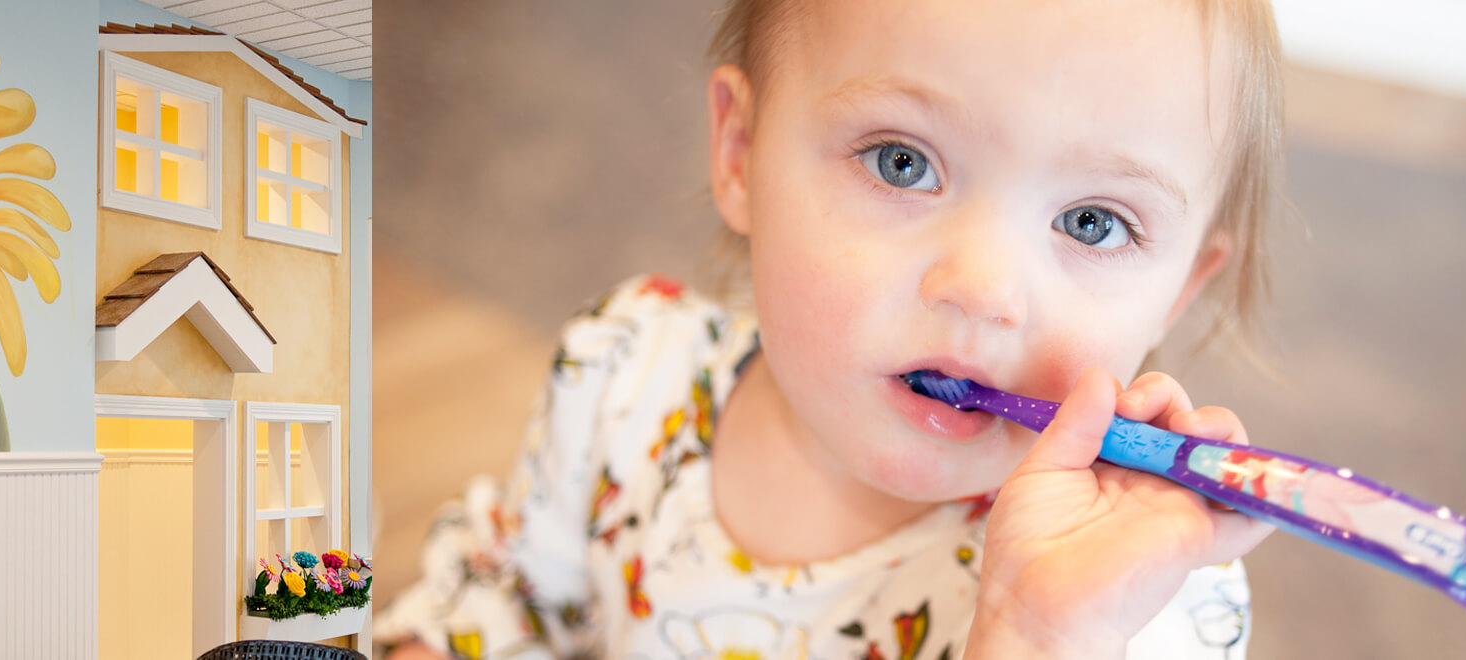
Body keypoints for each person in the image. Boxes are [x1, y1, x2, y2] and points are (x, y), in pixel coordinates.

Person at [376, 0, 1286, 656]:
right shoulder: (624, 370)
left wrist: (1043, 636)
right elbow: (507, 598)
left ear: (1176, 290)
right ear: (741, 154)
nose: (981, 289)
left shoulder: (1137, 591)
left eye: (1092, 222)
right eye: (901, 163)